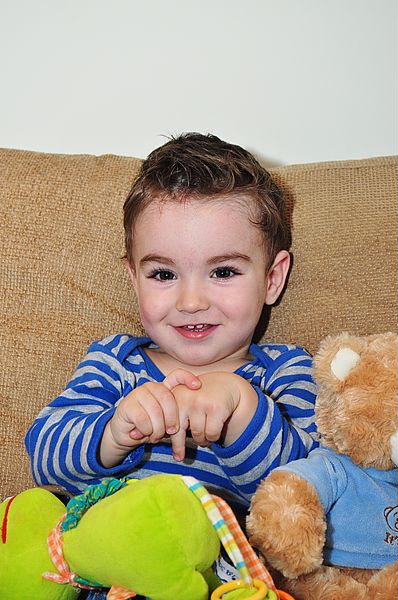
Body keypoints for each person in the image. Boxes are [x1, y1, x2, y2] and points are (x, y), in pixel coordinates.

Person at [25, 132, 319, 515]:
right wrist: (115, 432)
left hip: (230, 570)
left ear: (272, 279)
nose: (191, 302)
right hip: (106, 560)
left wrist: (242, 408)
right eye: (164, 275)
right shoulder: (115, 361)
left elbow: (312, 489)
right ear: (134, 279)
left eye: (224, 271)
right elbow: (43, 455)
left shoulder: (285, 372)